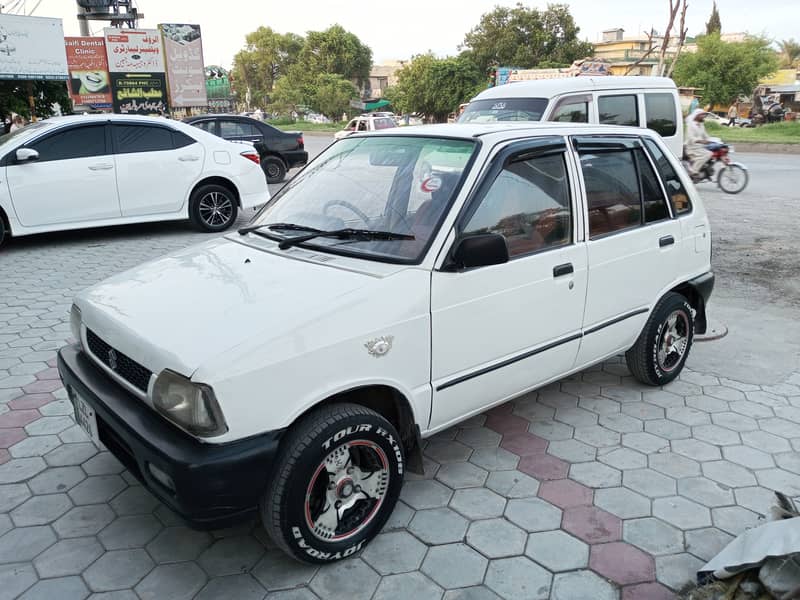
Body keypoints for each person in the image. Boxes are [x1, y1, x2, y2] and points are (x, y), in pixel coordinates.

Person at [684, 108, 712, 178]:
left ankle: (704, 169)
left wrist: (712, 140)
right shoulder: (690, 125)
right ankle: (693, 171)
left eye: (704, 115)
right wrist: (701, 141)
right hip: (691, 147)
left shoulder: (701, 125)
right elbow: (691, 138)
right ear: (697, 116)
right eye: (702, 115)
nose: (704, 116)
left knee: (711, 152)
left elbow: (705, 135)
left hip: (698, 147)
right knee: (708, 154)